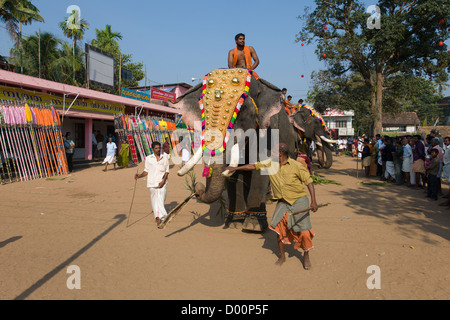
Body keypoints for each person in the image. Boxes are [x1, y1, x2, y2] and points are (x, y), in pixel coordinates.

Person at [225, 143, 319, 270]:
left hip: (299, 200)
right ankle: (282, 256)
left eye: (274, 151)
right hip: (283, 201)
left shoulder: (296, 166)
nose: (272, 153)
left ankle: (306, 255)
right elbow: (254, 166)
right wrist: (234, 169)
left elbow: (309, 182)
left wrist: (313, 201)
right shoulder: (270, 163)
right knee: (278, 229)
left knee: (305, 231)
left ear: (281, 153)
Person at [134, 141, 170, 228]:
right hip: (153, 183)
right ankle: (158, 218)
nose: (158, 150)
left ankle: (161, 215)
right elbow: (146, 171)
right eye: (156, 148)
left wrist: (163, 181)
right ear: (152, 149)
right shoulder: (148, 158)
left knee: (161, 199)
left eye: (159, 148)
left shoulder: (164, 158)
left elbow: (167, 171)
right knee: (155, 200)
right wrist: (139, 176)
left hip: (162, 182)